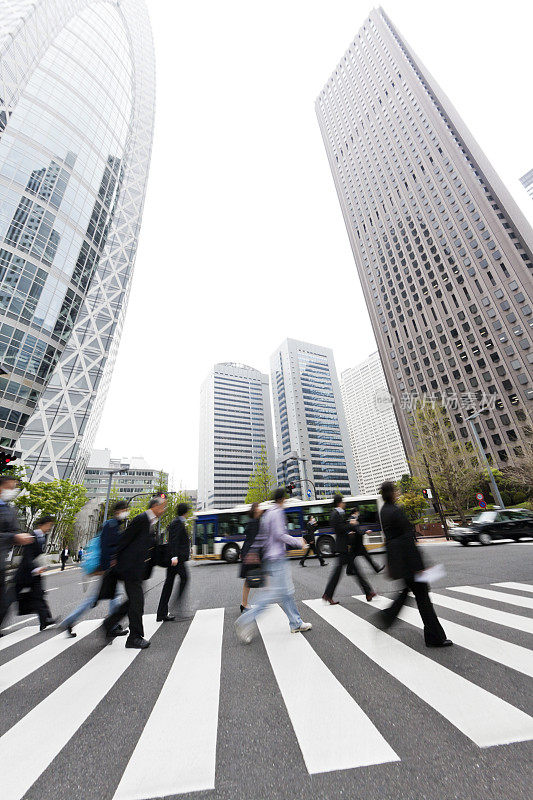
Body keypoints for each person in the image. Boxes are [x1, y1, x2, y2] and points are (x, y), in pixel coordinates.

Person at [376, 481, 452, 648]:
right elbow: (407, 540)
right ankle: (434, 637)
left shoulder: (384, 511)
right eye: (395, 490)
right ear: (391, 493)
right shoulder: (395, 511)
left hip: (400, 561)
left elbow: (391, 540)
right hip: (409, 562)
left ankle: (387, 616)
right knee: (423, 598)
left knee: (410, 593)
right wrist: (421, 566)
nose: (397, 493)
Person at [235, 488, 313, 643]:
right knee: (272, 595)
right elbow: (279, 535)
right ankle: (245, 620)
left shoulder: (268, 514)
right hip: (277, 558)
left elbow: (262, 537)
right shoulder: (277, 513)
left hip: (270, 559)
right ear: (282, 500)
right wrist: (298, 542)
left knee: (286, 593)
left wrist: (253, 551)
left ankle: (296, 623)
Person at [103, 495, 167, 649]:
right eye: (162, 507)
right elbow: (124, 539)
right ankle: (134, 637)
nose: (164, 510)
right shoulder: (141, 519)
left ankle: (109, 623)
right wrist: (115, 559)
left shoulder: (150, 522)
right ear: (155, 507)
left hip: (136, 570)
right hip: (130, 569)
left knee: (133, 601)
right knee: (137, 602)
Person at [58, 501, 130, 638]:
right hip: (108, 568)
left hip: (109, 568)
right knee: (105, 597)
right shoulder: (111, 525)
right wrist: (106, 568)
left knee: (107, 596)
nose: (127, 512)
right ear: (119, 511)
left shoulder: (115, 525)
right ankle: (111, 625)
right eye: (125, 510)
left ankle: (109, 624)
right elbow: (106, 548)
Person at [322, 494, 376, 605]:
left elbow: (342, 527)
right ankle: (368, 592)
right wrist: (351, 525)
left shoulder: (337, 513)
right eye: (343, 502)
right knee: (352, 571)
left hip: (343, 547)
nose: (344, 504)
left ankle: (328, 595)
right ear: (339, 503)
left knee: (344, 572)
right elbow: (339, 529)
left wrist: (350, 526)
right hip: (342, 547)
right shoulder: (335, 514)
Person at [0, 476, 33, 635]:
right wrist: (13, 538)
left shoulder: (9, 509)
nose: (13, 491)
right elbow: (10, 535)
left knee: (5, 600)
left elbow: (13, 532)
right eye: (11, 487)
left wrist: (20, 537)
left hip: (2, 561)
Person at [15, 515, 56, 630]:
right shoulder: (31, 536)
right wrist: (36, 569)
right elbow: (27, 556)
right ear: (41, 525)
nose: (49, 528)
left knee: (39, 596)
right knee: (9, 600)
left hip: (35, 574)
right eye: (48, 525)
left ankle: (45, 620)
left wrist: (41, 567)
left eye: (50, 526)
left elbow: (40, 555)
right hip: (24, 574)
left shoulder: (43, 537)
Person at [156, 502, 191, 622]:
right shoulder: (177, 523)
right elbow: (174, 541)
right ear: (185, 512)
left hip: (176, 559)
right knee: (184, 578)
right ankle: (176, 608)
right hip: (177, 560)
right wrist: (174, 556)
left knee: (169, 584)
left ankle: (162, 613)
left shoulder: (178, 522)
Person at [239, 502, 262, 613]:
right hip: (252, 554)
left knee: (250, 579)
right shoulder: (255, 523)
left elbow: (248, 539)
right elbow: (253, 540)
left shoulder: (252, 522)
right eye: (258, 508)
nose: (260, 509)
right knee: (253, 578)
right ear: (255, 510)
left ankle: (244, 603)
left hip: (248, 553)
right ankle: (245, 603)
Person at [346, 510, 384, 575]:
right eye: (357, 512)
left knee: (354, 557)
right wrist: (366, 532)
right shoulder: (352, 520)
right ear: (354, 513)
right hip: (356, 543)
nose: (358, 513)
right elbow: (357, 530)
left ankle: (349, 571)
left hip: (357, 543)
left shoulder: (353, 519)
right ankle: (376, 569)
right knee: (364, 557)